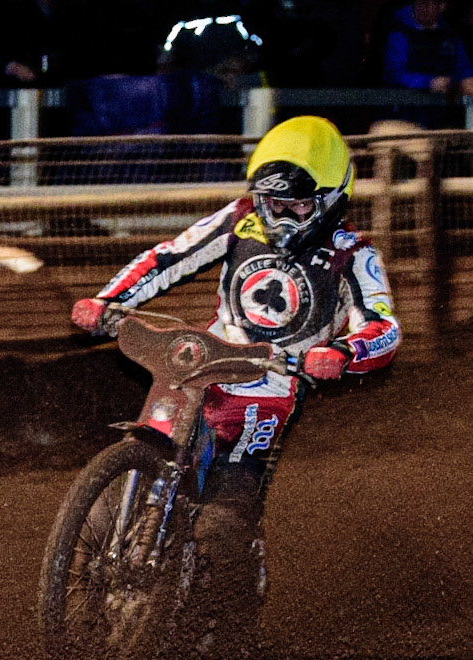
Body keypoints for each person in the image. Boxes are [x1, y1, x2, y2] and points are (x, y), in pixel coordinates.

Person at [71, 116, 398, 623]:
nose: (281, 215)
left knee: (224, 517)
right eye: (272, 203)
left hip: (275, 380)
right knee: (147, 443)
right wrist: (107, 300)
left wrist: (344, 353)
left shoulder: (353, 253)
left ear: (332, 199)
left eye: (297, 205)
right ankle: (104, 554)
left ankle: (229, 604)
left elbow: (383, 327)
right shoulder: (241, 219)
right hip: (210, 357)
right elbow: (169, 258)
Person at [383, 0, 473, 98]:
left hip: (442, 102)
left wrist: (466, 79)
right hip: (404, 101)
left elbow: (463, 66)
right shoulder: (399, 33)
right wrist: (429, 82)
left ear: (441, 6)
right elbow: (395, 74)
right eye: (418, 3)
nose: (421, 8)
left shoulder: (450, 35)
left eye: (427, 3)